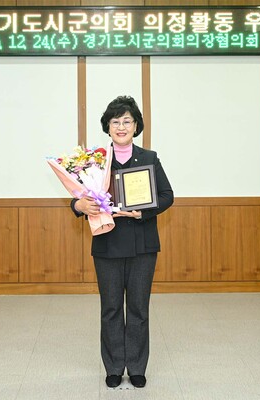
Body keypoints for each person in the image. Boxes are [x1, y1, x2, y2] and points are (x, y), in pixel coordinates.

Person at [71, 96, 174, 388]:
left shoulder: (150, 158)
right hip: (107, 244)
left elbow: (167, 196)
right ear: (108, 127)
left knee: (139, 308)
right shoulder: (96, 162)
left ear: (136, 126)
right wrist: (80, 206)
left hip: (143, 246)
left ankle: (137, 367)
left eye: (127, 121)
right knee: (111, 308)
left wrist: (143, 211)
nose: (121, 126)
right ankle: (114, 367)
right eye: (115, 121)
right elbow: (77, 198)